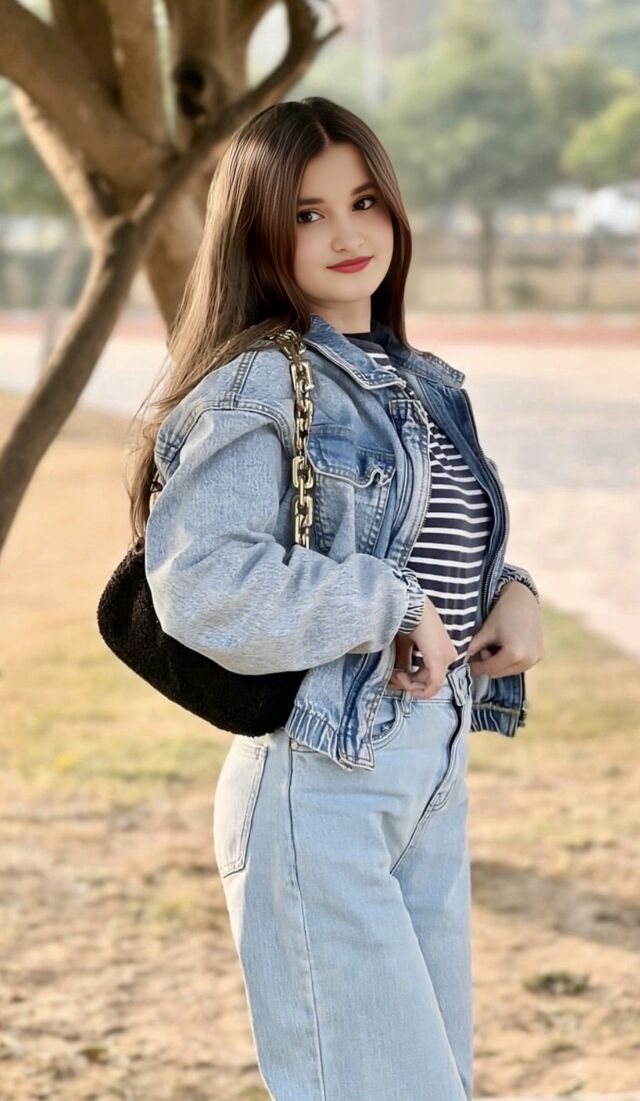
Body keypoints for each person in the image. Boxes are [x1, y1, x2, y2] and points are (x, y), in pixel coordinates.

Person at [128, 97, 544, 1101]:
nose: (345, 233)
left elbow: (416, 539)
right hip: (322, 777)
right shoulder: (257, 386)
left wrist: (513, 594)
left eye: (363, 201)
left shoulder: (422, 383)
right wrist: (390, 606)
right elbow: (202, 581)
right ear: (256, 233)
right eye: (306, 214)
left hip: (429, 769)